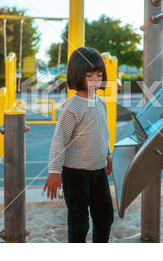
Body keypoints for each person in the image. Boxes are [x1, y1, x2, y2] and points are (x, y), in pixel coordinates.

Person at [44, 47, 114, 243]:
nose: (95, 80)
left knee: (105, 216)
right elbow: (59, 139)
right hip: (75, 173)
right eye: (89, 75)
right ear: (77, 75)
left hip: (98, 171)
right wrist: (55, 170)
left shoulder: (101, 103)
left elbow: (103, 132)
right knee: (79, 221)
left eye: (99, 75)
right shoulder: (72, 106)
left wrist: (108, 155)